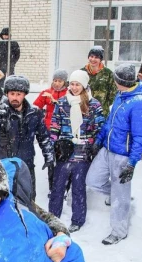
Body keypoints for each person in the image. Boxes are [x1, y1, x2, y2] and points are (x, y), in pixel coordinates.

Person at [86, 64, 142, 245]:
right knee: (92, 180)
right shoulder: (120, 95)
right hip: (107, 149)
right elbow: (109, 123)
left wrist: (132, 163)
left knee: (120, 194)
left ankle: (119, 231)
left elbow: (140, 136)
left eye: (116, 80)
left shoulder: (139, 103)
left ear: (121, 82)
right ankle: (119, 195)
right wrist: (99, 141)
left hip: (123, 155)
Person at [48, 70, 104, 233]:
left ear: (84, 85)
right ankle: (53, 218)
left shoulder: (94, 104)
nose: (74, 87)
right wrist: (55, 145)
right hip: (64, 153)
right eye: (72, 84)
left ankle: (78, 219)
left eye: (77, 84)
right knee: (58, 187)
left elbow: (99, 128)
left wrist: (91, 143)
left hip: (82, 153)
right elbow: (54, 126)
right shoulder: (61, 102)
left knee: (79, 188)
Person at [0, 75, 55, 198]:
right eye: (12, 93)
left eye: (19, 94)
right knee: (4, 200)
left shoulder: (34, 113)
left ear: (24, 95)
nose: (15, 97)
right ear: (7, 94)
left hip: (26, 164)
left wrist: (49, 155)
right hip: (5, 163)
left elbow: (44, 137)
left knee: (28, 198)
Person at [81, 46, 116, 117]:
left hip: (102, 112)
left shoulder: (108, 73)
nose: (93, 59)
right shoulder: (81, 72)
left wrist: (105, 107)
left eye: (96, 57)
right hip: (85, 111)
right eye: (91, 56)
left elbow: (113, 94)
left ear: (100, 59)